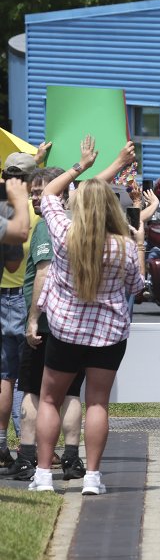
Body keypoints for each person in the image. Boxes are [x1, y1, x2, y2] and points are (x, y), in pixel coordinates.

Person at [28, 137, 145, 494]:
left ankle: (44, 475)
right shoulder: (123, 245)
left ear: (78, 204)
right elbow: (137, 286)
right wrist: (139, 245)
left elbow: (49, 192)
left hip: (65, 330)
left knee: (50, 399)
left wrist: (82, 166)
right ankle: (92, 477)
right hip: (108, 334)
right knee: (97, 402)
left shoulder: (63, 233)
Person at [4, 168, 84, 482]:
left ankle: (26, 456)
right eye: (34, 191)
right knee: (72, 393)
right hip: (73, 324)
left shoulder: (48, 226)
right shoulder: (81, 225)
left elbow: (43, 273)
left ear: (59, 193)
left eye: (41, 190)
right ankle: (72, 459)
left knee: (34, 392)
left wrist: (33, 319)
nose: (36, 196)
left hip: (47, 325)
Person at [0, 152, 36, 468]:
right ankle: (27, 450)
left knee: (4, 377)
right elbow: (15, 259)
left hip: (2, 295)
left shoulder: (2, 211)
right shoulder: (32, 212)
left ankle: (2, 446)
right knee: (24, 379)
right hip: (24, 299)